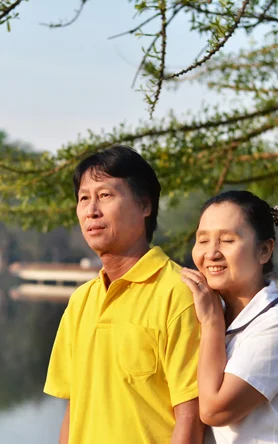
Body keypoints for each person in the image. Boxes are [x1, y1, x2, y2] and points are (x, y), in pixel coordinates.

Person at [44, 145, 204, 443]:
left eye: (105, 195)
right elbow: (73, 409)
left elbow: (191, 417)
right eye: (83, 198)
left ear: (145, 205)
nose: (92, 210)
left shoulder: (179, 294)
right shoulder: (81, 301)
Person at [180, 190, 278, 443]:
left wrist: (211, 323)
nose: (211, 253)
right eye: (202, 240)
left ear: (264, 250)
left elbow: (214, 410)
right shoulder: (214, 312)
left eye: (227, 240)